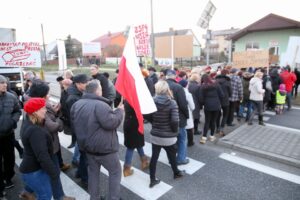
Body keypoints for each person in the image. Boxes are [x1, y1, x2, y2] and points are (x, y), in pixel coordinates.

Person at [71, 80, 124, 200]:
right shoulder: (101, 105)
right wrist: (120, 111)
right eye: (100, 88)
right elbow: (111, 123)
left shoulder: (77, 104)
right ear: (97, 91)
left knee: (93, 174)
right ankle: (114, 198)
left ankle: (94, 197)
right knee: (115, 172)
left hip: (88, 148)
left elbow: (74, 124)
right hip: (105, 149)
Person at [29, 80, 74, 200]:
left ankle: (26, 191)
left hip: (48, 143)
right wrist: (60, 119)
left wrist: (54, 110)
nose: (49, 95)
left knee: (42, 171)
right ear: (42, 95)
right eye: (47, 93)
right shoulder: (38, 107)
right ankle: (60, 196)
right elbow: (51, 126)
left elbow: (48, 117)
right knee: (54, 173)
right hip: (49, 146)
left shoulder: (37, 104)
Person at [145, 80, 184, 188]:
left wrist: (154, 122)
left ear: (156, 89)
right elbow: (175, 121)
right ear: (167, 89)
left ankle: (152, 179)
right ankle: (176, 173)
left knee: (154, 157)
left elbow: (146, 115)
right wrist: (174, 132)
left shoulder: (152, 101)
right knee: (172, 155)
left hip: (156, 135)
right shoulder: (172, 103)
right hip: (168, 136)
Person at [19, 98, 57, 200]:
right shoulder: (35, 131)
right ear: (35, 112)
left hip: (31, 169)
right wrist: (53, 172)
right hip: (34, 171)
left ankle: (25, 193)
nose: (45, 110)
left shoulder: (30, 122)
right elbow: (42, 155)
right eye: (43, 108)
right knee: (45, 195)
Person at [0, 75, 21, 198]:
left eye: (5, 83)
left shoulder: (11, 97)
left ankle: (8, 178)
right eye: (1, 83)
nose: (5, 85)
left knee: (10, 158)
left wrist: (13, 121)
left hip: (8, 135)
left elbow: (17, 110)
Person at [66, 74, 89, 186]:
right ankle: (85, 179)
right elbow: (77, 117)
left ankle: (79, 172)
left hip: (80, 130)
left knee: (83, 155)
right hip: (81, 131)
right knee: (85, 156)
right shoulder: (73, 97)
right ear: (78, 84)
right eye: (86, 82)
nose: (87, 84)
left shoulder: (77, 93)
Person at [166, 70, 189, 165]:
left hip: (166, 117)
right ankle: (181, 159)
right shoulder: (178, 87)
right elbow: (183, 105)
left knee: (171, 140)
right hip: (179, 117)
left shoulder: (160, 86)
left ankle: (171, 158)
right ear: (175, 76)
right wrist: (187, 115)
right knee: (182, 139)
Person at [123, 101, 149, 177]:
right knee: (131, 147)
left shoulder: (128, 99)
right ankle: (126, 169)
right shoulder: (134, 100)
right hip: (134, 124)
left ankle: (144, 161)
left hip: (129, 122)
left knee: (137, 143)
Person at [199, 74, 224, 144]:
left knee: (207, 121)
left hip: (207, 106)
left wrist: (204, 103)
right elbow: (222, 95)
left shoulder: (203, 86)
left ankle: (204, 137)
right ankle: (212, 136)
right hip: (216, 105)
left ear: (203, 79)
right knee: (213, 121)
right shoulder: (216, 84)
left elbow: (200, 99)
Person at [215, 69, 232, 136]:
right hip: (225, 100)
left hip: (217, 100)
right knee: (225, 114)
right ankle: (222, 128)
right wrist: (228, 96)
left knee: (218, 115)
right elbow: (230, 92)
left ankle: (217, 128)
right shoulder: (227, 82)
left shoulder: (215, 81)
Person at [179, 79, 195, 146]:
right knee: (189, 127)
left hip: (179, 112)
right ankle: (190, 142)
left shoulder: (177, 91)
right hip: (187, 112)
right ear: (186, 85)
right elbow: (192, 107)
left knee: (181, 127)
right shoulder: (188, 94)